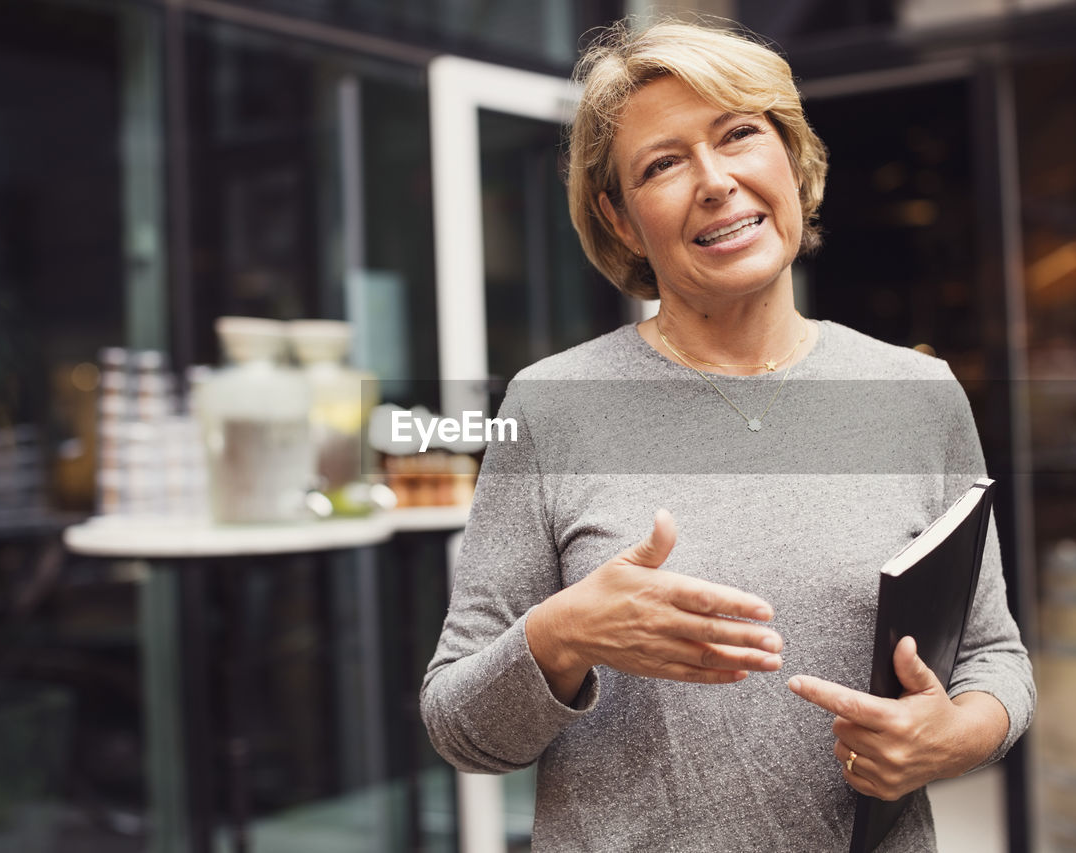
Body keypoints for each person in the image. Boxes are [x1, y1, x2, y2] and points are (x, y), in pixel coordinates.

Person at [420, 18, 1035, 851]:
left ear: (793, 160)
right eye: (663, 163)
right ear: (622, 217)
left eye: (739, 133)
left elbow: (995, 655)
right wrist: (562, 635)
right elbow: (460, 728)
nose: (715, 181)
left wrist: (954, 735)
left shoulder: (916, 393)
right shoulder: (552, 404)